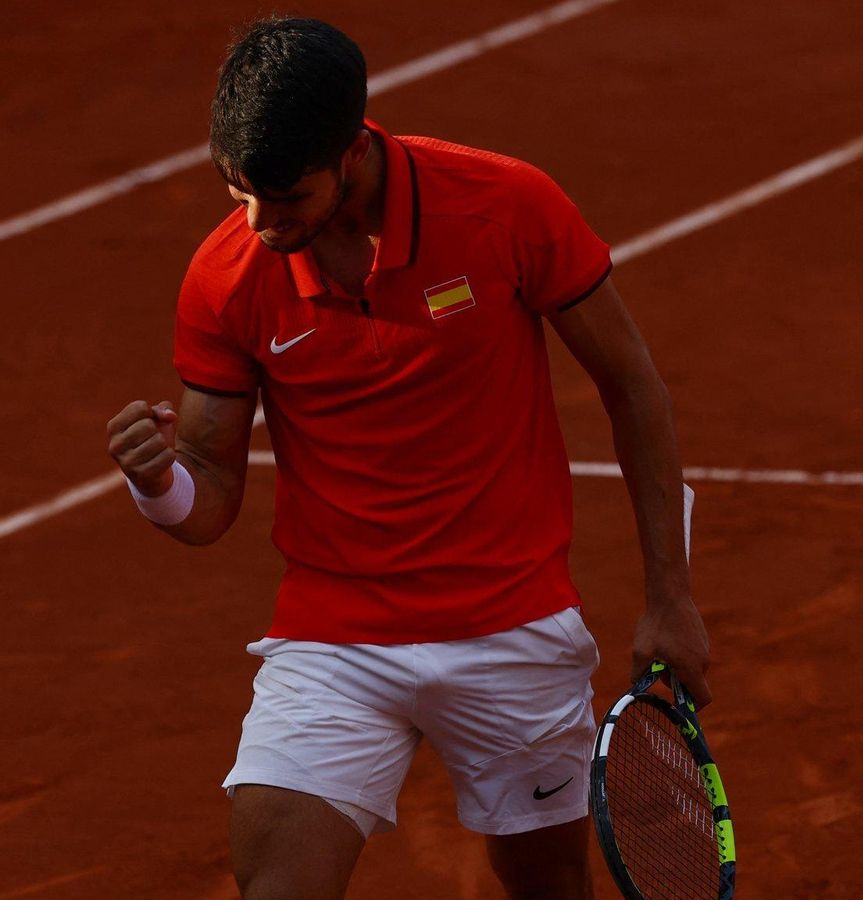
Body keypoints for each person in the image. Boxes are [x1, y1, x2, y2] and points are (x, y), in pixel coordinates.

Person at [103, 17, 710, 900]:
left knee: (550, 888)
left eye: (287, 199)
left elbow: (634, 387)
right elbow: (213, 492)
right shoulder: (227, 273)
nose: (262, 224)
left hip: (514, 630)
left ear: (351, 153)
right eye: (240, 195)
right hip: (334, 640)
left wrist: (671, 596)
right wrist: (157, 482)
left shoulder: (505, 204)